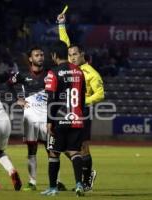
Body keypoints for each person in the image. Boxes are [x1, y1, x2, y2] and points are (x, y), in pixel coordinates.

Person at [6, 46, 66, 191]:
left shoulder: (50, 74)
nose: (40, 57)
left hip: (47, 116)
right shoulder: (22, 75)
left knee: (51, 149)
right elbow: (9, 84)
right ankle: (32, 182)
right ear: (31, 59)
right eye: (37, 55)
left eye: (41, 55)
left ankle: (57, 182)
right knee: (31, 150)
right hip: (30, 116)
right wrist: (17, 99)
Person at [57, 13, 105, 191]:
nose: (72, 57)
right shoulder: (70, 68)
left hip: (82, 112)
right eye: (70, 54)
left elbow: (100, 94)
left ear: (82, 54)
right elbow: (64, 41)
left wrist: (83, 101)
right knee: (63, 145)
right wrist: (61, 24)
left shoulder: (91, 73)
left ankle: (87, 179)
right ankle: (86, 174)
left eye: (75, 54)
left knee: (83, 147)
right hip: (67, 111)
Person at [41, 40, 86, 197]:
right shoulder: (80, 72)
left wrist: (49, 121)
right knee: (75, 152)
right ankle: (79, 185)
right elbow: (83, 98)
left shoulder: (53, 73)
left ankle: (53, 188)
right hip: (77, 118)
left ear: (54, 55)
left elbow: (51, 99)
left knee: (53, 153)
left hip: (59, 118)